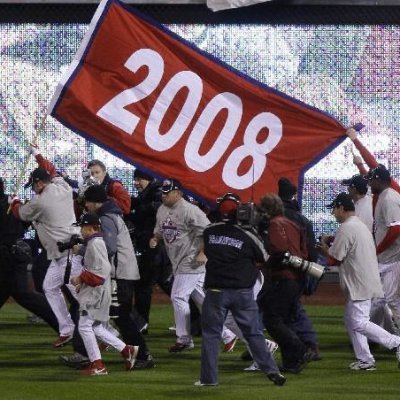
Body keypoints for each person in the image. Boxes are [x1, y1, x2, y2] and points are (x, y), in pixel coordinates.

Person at [196, 192, 286, 387]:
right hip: (242, 292)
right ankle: (272, 371)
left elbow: (207, 251)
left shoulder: (210, 231)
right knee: (253, 333)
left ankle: (208, 379)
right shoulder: (248, 234)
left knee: (211, 335)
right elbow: (265, 257)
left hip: (215, 291)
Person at [61, 184, 154, 369]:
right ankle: (108, 352)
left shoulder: (106, 218)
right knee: (108, 317)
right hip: (120, 272)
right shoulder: (110, 214)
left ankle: (141, 354)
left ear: (95, 202)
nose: (85, 205)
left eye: (87, 202)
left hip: (119, 274)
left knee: (119, 316)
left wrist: (83, 248)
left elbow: (108, 248)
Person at [150, 178, 236, 352]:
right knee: (205, 303)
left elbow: (209, 232)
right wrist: (155, 238)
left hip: (191, 261)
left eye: (167, 193)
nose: (164, 196)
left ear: (178, 193)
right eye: (163, 193)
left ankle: (184, 339)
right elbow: (160, 230)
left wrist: (203, 252)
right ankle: (228, 334)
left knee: (178, 296)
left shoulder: (190, 210)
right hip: (178, 261)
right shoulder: (161, 209)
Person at [318, 192, 400, 370]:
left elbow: (334, 259)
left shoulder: (347, 227)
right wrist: (331, 242)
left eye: (334, 209)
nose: (333, 213)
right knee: (351, 319)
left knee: (359, 322)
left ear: (341, 207)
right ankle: (365, 360)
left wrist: (324, 249)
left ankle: (396, 342)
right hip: (365, 280)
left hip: (359, 284)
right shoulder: (358, 225)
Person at [9, 147, 83, 347]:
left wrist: (14, 201)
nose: (32, 189)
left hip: (68, 253)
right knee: (49, 288)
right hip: (65, 251)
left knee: (81, 297)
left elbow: (20, 213)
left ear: (40, 183)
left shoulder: (41, 201)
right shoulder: (62, 186)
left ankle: (111, 333)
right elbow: (51, 169)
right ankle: (67, 329)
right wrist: (37, 155)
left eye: (33, 185)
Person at [70, 212, 138, 376]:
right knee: (96, 327)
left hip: (97, 293)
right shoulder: (94, 242)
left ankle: (98, 365)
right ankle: (126, 350)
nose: (81, 230)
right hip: (97, 291)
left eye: (82, 227)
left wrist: (80, 278)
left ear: (89, 227)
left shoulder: (96, 244)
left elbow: (101, 273)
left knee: (84, 326)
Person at [258, 193, 309, 373]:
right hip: (298, 276)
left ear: (267, 210)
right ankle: (291, 363)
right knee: (286, 320)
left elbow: (279, 251)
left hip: (283, 277)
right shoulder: (293, 224)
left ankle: (300, 349)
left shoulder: (274, 224)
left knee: (271, 319)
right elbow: (304, 251)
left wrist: (265, 263)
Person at [0, 177, 59, 332]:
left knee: (26, 295)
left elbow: (25, 221)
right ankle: (64, 326)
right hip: (13, 256)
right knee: (24, 295)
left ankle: (64, 326)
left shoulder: (11, 205)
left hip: (10, 258)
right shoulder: (11, 204)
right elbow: (26, 223)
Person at [277, 177, 321, 362]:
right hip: (300, 269)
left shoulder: (275, 218)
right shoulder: (302, 219)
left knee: (284, 310)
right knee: (290, 308)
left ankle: (306, 345)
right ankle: (306, 344)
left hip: (280, 270)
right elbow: (311, 250)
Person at [125, 168, 162, 331]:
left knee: (145, 285)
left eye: (139, 179)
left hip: (156, 247)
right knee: (145, 285)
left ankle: (141, 323)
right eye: (135, 179)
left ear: (149, 179)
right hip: (148, 245)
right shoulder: (145, 195)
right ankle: (142, 323)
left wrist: (137, 209)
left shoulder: (157, 191)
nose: (136, 183)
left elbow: (158, 207)